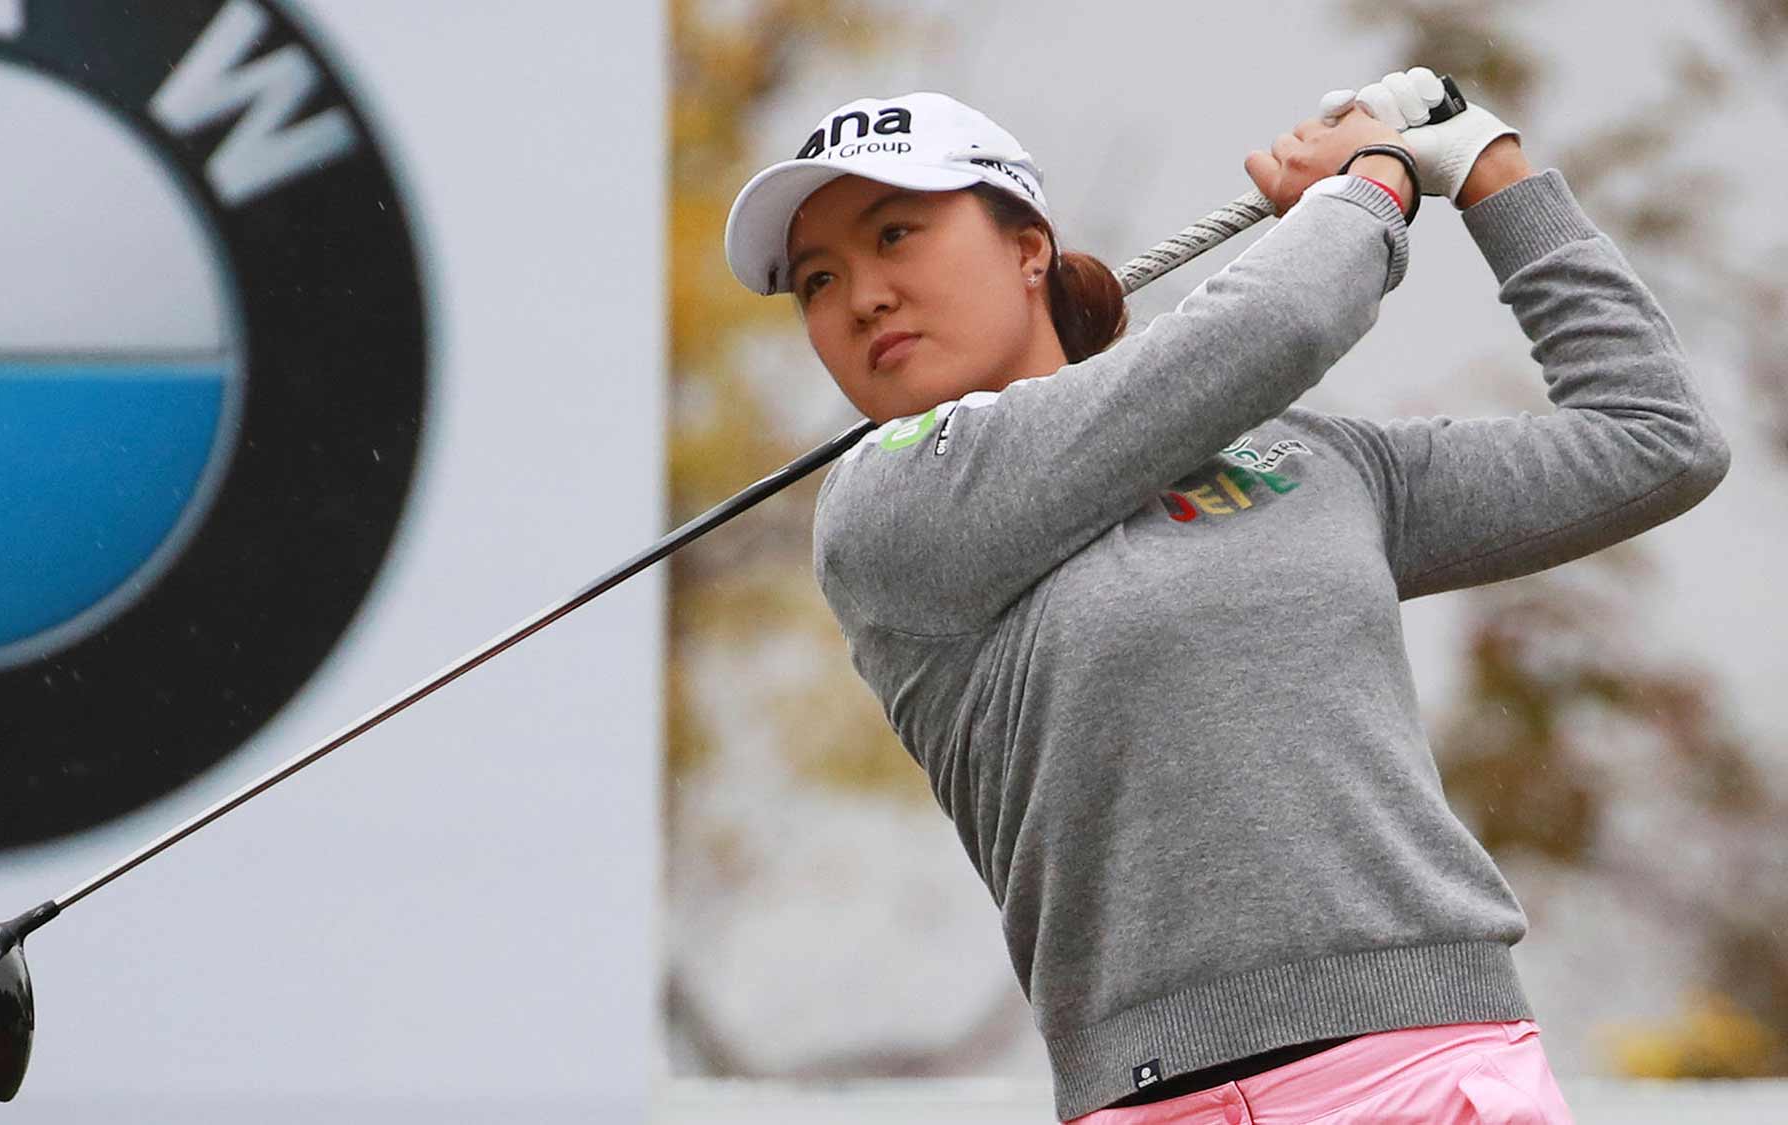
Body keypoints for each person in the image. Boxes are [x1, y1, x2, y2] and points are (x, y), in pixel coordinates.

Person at [721, 68, 1732, 1124]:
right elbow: (1283, 320)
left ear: (1026, 249)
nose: (860, 297)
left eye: (892, 237)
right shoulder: (887, 512)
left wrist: (1487, 166)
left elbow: (1652, 438)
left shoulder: (1305, 461)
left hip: (1438, 1072)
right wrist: (1373, 179)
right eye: (816, 282)